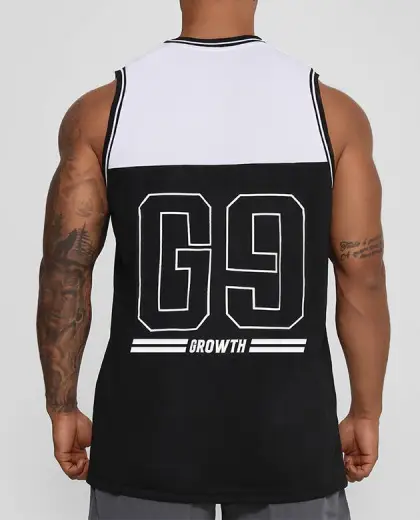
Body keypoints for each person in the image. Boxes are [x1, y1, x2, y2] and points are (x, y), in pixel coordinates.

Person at [36, 1, 390, 519]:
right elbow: (362, 275)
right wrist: (366, 411)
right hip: (290, 439)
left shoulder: (102, 112)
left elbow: (65, 270)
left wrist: (61, 406)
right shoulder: (332, 114)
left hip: (144, 437)